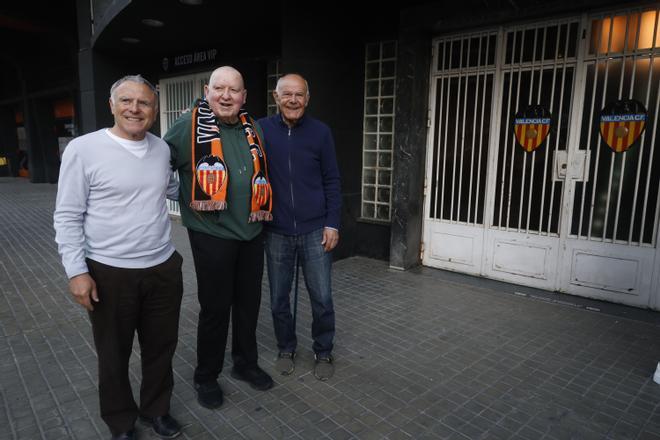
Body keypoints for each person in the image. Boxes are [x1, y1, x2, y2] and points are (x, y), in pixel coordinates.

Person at [53, 75, 183, 440]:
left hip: (162, 267)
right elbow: (66, 215)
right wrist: (76, 271)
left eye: (144, 103)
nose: (134, 109)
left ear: (154, 111)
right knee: (114, 355)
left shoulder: (161, 150)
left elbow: (171, 188)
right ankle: (121, 422)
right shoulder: (83, 149)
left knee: (161, 347)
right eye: (126, 101)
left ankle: (156, 409)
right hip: (109, 272)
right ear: (112, 105)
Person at [164, 66, 274, 410]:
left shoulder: (251, 126)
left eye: (234, 90)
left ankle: (245, 363)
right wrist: (179, 193)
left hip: (252, 231)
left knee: (249, 303)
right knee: (215, 308)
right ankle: (206, 376)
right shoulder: (187, 126)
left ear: (244, 96)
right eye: (219, 88)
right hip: (212, 233)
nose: (226, 96)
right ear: (207, 91)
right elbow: (155, 164)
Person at [259, 73, 341, 381]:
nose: (293, 100)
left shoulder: (321, 133)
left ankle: (323, 350)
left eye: (299, 95)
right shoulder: (261, 130)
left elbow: (332, 180)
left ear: (307, 99)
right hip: (276, 230)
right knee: (279, 297)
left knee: (321, 297)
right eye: (287, 94)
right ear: (276, 97)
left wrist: (332, 223)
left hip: (314, 229)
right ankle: (285, 348)